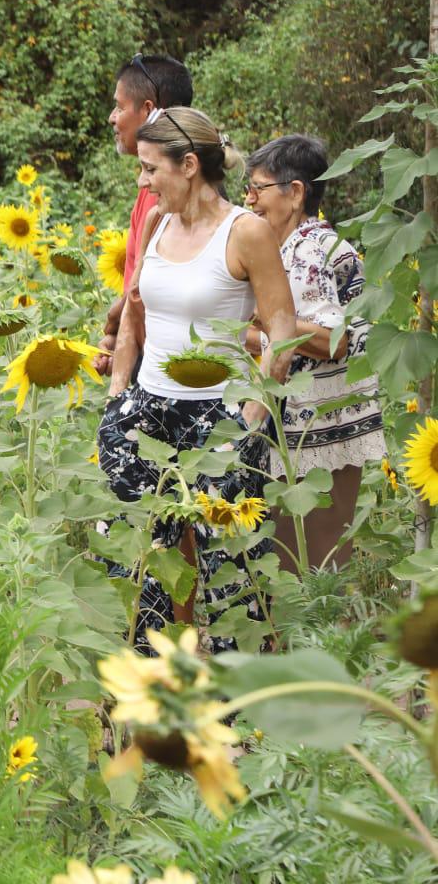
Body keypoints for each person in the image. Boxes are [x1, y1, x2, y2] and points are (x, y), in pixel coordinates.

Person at [97, 106, 297, 650]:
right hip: (145, 414)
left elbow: (281, 330)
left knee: (232, 575)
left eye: (149, 168)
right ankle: (155, 698)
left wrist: (248, 418)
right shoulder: (159, 222)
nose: (142, 181)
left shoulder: (246, 232)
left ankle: (242, 722)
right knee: (140, 564)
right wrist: (119, 394)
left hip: (219, 417)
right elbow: (135, 310)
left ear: (188, 165)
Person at [242, 134, 382, 573]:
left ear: (296, 192)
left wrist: (267, 320)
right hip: (308, 429)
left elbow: (332, 340)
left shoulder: (312, 251)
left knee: (315, 568)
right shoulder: (290, 248)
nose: (249, 201)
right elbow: (278, 339)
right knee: (300, 564)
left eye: (258, 189)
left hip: (325, 431)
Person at [94, 53, 194, 376]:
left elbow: (147, 288)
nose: (112, 117)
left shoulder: (169, 192)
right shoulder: (150, 185)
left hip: (168, 364)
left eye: (120, 107)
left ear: (149, 111)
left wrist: (114, 322)